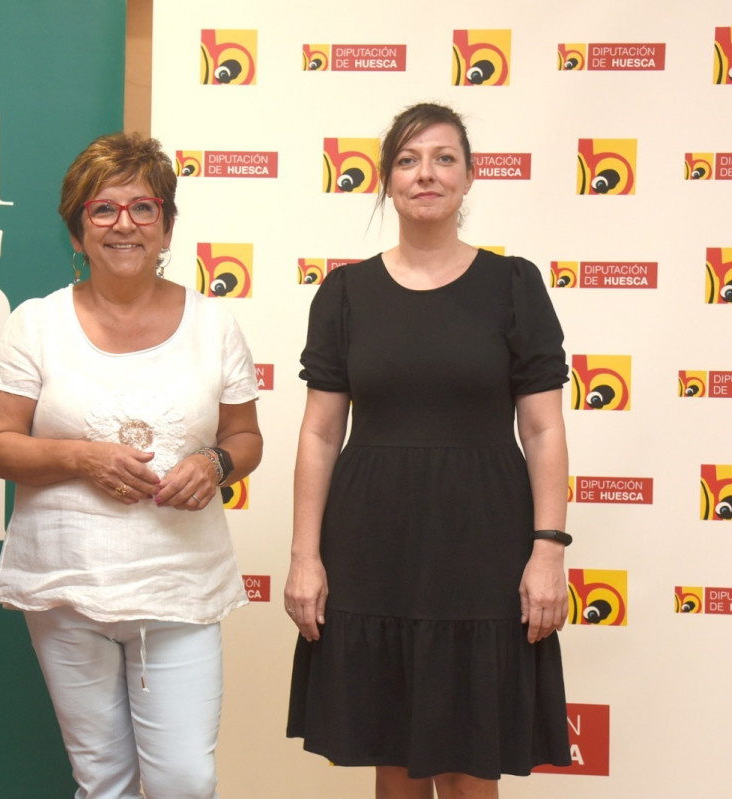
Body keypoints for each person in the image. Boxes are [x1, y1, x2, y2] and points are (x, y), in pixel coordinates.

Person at [284, 102, 572, 798]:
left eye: (443, 158)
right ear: (386, 180)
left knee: (473, 758)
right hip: (372, 543)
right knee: (393, 748)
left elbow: (542, 429)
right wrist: (304, 556)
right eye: (408, 160)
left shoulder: (514, 285)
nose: (426, 174)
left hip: (484, 544)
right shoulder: (344, 293)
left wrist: (547, 548)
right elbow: (319, 432)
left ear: (469, 177)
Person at [0, 132, 263, 799]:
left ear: (166, 228)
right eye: (102, 209)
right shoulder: (35, 324)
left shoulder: (213, 325)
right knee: (102, 779)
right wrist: (80, 456)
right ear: (77, 232)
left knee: (184, 780)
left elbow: (246, 436)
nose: (123, 223)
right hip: (66, 583)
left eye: (143, 208)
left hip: (179, 588)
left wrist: (215, 463)